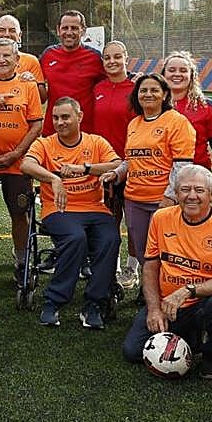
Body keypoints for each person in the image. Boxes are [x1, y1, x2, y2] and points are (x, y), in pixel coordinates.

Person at [121, 165, 212, 379]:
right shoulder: (161, 218)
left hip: (202, 303)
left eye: (199, 190)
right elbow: (150, 266)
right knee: (132, 352)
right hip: (166, 304)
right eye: (185, 190)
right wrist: (153, 309)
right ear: (176, 193)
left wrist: (187, 291)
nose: (191, 196)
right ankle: (191, 338)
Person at [21, 97, 122, 329]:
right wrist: (53, 178)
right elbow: (26, 165)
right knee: (75, 238)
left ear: (79, 117)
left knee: (110, 239)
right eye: (55, 117)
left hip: (95, 208)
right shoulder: (44, 144)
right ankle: (53, 301)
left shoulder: (95, 142)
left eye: (65, 117)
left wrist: (86, 168)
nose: (59, 122)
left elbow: (117, 164)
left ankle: (94, 303)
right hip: (59, 209)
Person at [117, 72, 195, 292]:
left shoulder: (177, 122)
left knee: (166, 252)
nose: (148, 94)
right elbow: (129, 160)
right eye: (143, 90)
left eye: (154, 90)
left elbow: (182, 165)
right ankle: (151, 289)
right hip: (134, 199)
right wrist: (115, 173)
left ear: (165, 94)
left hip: (162, 201)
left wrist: (169, 196)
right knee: (142, 251)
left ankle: (168, 293)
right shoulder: (134, 123)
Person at [0, 40, 42, 279]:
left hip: (17, 163)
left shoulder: (28, 85)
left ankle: (22, 261)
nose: (1, 60)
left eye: (6, 56)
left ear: (17, 60)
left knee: (19, 214)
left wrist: (17, 153)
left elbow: (36, 124)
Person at [92, 40, 139, 286]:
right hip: (105, 167)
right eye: (107, 57)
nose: (112, 61)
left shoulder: (137, 88)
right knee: (110, 220)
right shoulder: (98, 87)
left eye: (117, 56)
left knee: (133, 222)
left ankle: (132, 268)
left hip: (132, 166)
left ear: (126, 58)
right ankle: (113, 265)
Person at [161, 50, 212, 170]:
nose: (177, 74)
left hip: (195, 176)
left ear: (192, 75)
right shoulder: (152, 105)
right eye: (171, 70)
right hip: (159, 177)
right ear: (163, 74)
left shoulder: (206, 106)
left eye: (183, 70)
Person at [40, 10, 103, 135]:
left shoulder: (94, 57)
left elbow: (114, 75)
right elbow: (33, 77)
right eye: (65, 28)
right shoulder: (48, 55)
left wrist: (134, 78)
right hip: (53, 131)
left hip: (84, 132)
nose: (69, 32)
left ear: (83, 31)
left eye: (74, 28)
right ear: (58, 30)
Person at [0, 15, 48, 101]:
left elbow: (42, 99)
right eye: (2, 30)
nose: (7, 34)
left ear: (19, 35)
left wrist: (34, 83)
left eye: (12, 31)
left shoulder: (31, 61)